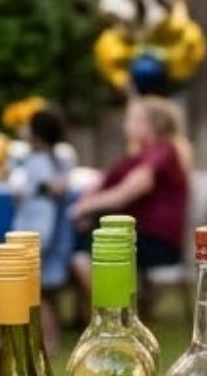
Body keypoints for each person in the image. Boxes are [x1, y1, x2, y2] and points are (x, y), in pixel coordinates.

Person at [69, 97, 192, 303]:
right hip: (140, 236)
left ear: (149, 124)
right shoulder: (144, 153)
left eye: (132, 119)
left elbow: (128, 191)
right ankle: (91, 315)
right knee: (80, 242)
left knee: (84, 253)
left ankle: (115, 315)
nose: (125, 125)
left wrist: (83, 207)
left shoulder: (162, 151)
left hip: (155, 242)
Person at [10, 103, 77, 347]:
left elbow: (21, 190)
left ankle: (48, 340)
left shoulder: (35, 161)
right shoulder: (59, 160)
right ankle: (49, 336)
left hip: (34, 229)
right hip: (49, 229)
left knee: (34, 289)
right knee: (46, 287)